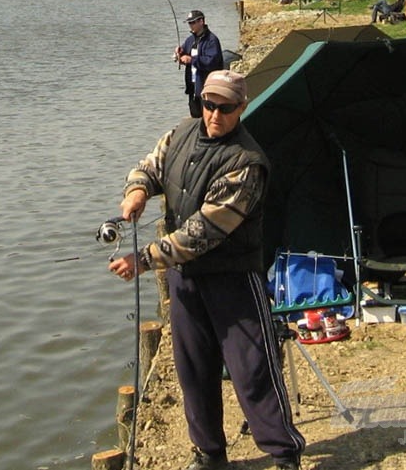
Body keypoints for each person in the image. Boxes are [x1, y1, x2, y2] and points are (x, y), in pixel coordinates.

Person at [108, 70, 305, 470]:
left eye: (225, 108)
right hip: (184, 280)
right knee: (193, 369)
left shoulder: (247, 163)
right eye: (209, 104)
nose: (215, 114)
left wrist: (143, 260)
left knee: (253, 371)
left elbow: (202, 233)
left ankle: (284, 454)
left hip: (233, 279)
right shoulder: (181, 132)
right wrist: (137, 191)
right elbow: (149, 165)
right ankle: (209, 453)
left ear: (241, 108)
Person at [175, 10, 225, 118]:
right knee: (195, 119)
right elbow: (184, 55)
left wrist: (191, 60)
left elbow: (211, 62)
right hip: (192, 88)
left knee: (208, 119)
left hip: (207, 88)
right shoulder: (190, 40)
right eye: (189, 23)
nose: (190, 26)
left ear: (201, 21)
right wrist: (179, 54)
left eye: (193, 22)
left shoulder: (212, 40)